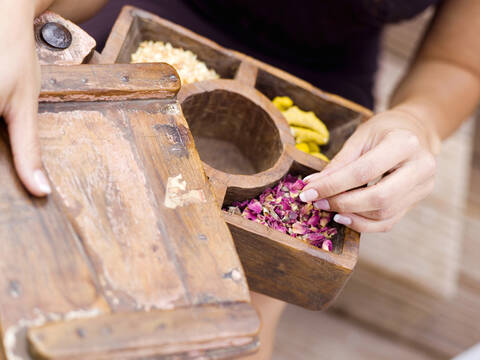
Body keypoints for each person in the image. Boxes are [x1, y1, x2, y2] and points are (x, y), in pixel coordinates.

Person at [2, 0, 480, 359]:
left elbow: (458, 64)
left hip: (314, 78)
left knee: (223, 332)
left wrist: (419, 123)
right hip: (157, 16)